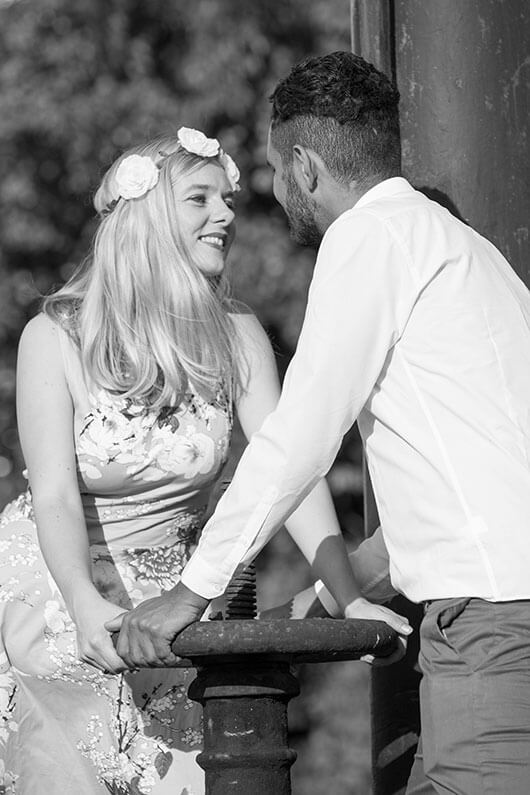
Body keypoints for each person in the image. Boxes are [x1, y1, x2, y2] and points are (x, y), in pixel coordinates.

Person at [109, 52, 530, 795]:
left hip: (496, 625)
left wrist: (194, 590)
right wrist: (340, 584)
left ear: (304, 166)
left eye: (271, 169)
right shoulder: (468, 250)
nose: (266, 194)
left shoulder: (367, 238)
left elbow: (301, 434)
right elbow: (473, 478)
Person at [0, 125, 409, 795]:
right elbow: (53, 495)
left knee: (183, 780)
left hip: (175, 605)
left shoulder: (238, 334)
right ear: (148, 213)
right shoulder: (55, 336)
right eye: (200, 198)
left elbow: (292, 469)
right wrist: (81, 602)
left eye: (227, 200)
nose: (226, 215)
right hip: (54, 587)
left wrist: (346, 586)